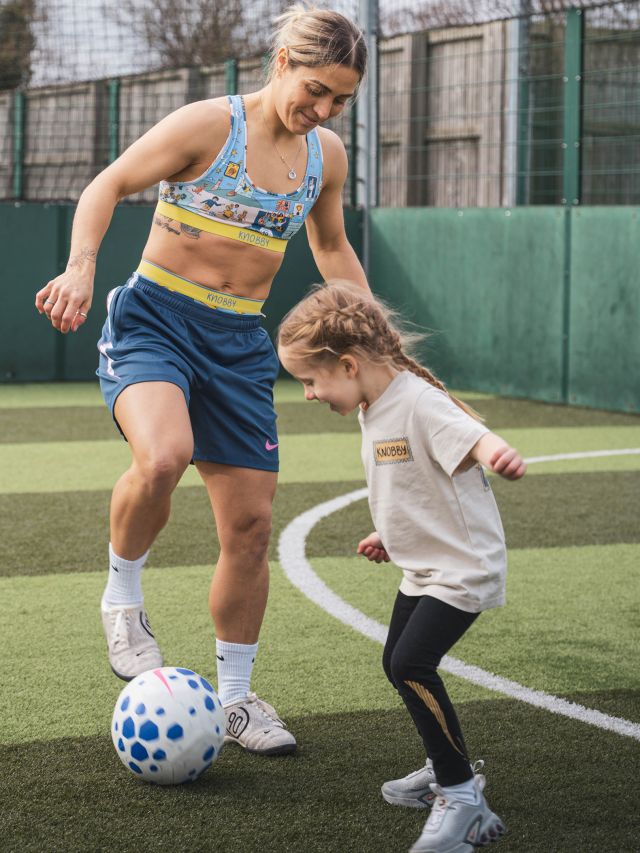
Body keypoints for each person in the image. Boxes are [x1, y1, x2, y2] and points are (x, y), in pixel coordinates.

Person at [34, 4, 369, 757]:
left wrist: (372, 330)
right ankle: (123, 597)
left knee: (250, 529)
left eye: (340, 100)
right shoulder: (206, 127)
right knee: (162, 456)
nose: (323, 109)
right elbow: (108, 185)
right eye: (316, 89)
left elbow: (333, 246)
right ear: (282, 60)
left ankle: (239, 699)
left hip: (238, 343)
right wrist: (81, 267)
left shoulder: (327, 157)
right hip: (154, 320)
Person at [277, 281, 525, 851]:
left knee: (414, 663)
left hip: (462, 569)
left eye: (310, 381)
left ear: (346, 364)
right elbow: (412, 482)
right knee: (398, 661)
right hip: (424, 565)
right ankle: (447, 770)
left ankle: (464, 801)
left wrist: (498, 455)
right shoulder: (375, 406)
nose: (309, 395)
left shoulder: (418, 400)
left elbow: (473, 437)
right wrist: (390, 532)